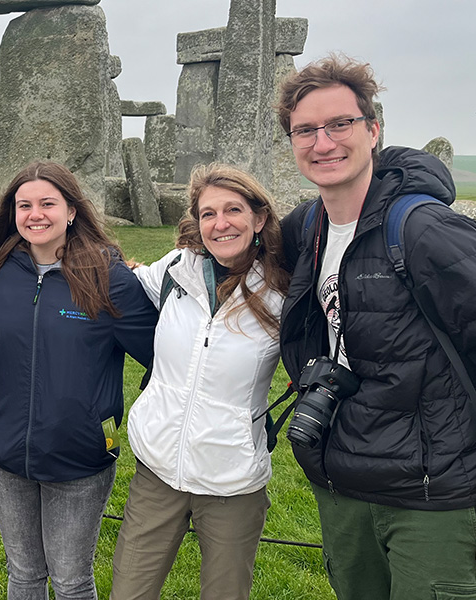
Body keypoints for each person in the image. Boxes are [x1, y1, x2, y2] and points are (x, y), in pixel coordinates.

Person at [276, 55, 476, 599]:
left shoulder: (428, 233)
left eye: (340, 124)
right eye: (305, 130)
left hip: (433, 495)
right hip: (343, 482)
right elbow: (240, 256)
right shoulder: (308, 226)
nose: (323, 143)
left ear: (373, 130)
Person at [0, 161, 157, 600]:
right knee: (23, 574)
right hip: (4, 449)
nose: (35, 214)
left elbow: (162, 355)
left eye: (47, 203)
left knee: (72, 580)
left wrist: (114, 417)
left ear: (72, 210)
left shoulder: (108, 278)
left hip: (83, 451)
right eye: (24, 205)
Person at [110, 164, 289, 600]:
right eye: (208, 213)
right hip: (158, 468)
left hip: (233, 477)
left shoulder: (284, 291)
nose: (220, 223)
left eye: (233, 210)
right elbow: (123, 284)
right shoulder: (177, 270)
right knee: (128, 593)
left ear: (259, 219)